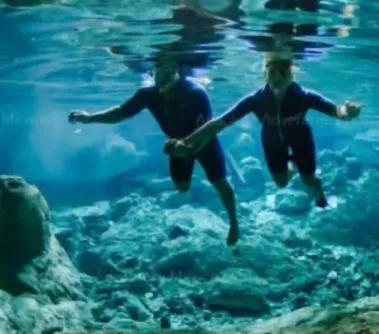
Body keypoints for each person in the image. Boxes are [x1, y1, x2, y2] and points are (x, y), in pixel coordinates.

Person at [68, 56, 239, 246]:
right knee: (182, 188)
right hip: (175, 145)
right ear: (153, 72)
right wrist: (90, 118)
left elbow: (206, 130)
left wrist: (186, 147)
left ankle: (234, 223)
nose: (163, 79)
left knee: (220, 182)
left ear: (178, 73)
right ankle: (194, 172)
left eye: (168, 73)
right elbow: (121, 112)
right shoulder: (147, 94)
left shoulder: (196, 93)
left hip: (204, 142)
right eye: (159, 73)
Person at [164, 51, 362, 208]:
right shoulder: (256, 100)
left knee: (308, 179)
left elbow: (336, 111)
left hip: (301, 139)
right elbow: (220, 123)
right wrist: (186, 142)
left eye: (283, 72)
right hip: (272, 141)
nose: (277, 78)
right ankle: (291, 165)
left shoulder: (305, 96)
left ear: (291, 74)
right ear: (265, 74)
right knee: (281, 183)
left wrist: (348, 112)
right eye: (272, 72)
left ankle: (320, 196)